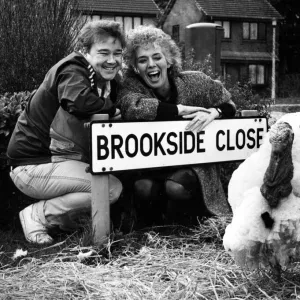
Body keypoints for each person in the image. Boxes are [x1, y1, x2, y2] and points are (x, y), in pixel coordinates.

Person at [7, 20, 126, 244]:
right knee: (110, 188)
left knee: (105, 195)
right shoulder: (73, 68)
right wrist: (112, 109)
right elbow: (78, 101)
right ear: (85, 51)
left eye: (117, 53)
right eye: (103, 52)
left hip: (56, 162)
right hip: (33, 165)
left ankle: (63, 223)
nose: (112, 60)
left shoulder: (104, 81)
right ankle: (37, 214)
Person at [117, 26, 236, 225]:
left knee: (177, 186)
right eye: (143, 60)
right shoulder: (132, 86)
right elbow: (132, 106)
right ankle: (156, 225)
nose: (151, 65)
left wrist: (216, 112)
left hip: (192, 168)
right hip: (152, 167)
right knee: (143, 187)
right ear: (135, 67)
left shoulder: (194, 81)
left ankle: (193, 221)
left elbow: (229, 103)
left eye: (157, 57)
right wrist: (179, 110)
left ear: (169, 60)